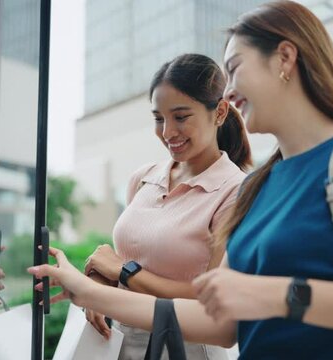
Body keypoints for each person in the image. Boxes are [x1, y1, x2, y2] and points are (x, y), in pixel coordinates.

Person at [29, 1, 333, 359]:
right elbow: (221, 320)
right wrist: (84, 290)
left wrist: (281, 296)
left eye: (234, 68)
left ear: (285, 58)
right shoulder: (261, 184)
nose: (226, 94)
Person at [82, 53, 252, 360]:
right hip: (120, 345)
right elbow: (126, 256)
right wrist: (99, 284)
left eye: (181, 117)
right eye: (159, 118)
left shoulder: (236, 191)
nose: (167, 132)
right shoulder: (143, 179)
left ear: (220, 112)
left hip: (186, 348)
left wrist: (124, 271)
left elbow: (210, 299)